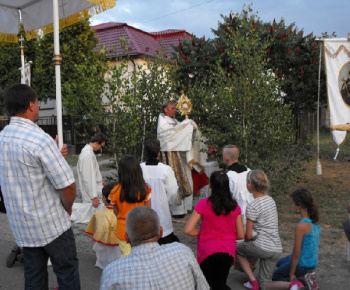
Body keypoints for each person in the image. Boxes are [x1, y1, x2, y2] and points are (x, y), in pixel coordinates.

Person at [0, 84, 80, 289]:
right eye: (37, 103)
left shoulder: (3, 138)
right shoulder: (39, 139)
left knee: (34, 276)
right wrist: (68, 208)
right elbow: (68, 186)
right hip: (51, 224)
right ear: (31, 105)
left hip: (23, 226)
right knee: (67, 273)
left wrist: (52, 155)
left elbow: (23, 169)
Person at [100, 206, 209, 290]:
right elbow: (203, 287)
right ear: (161, 232)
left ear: (126, 238)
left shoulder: (112, 272)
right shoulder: (182, 251)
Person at [184, 171, 245, 289]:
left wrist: (205, 232)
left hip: (208, 250)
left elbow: (188, 230)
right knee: (220, 283)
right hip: (227, 250)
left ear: (211, 185)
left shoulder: (203, 204)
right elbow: (241, 234)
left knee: (205, 284)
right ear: (227, 185)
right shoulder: (235, 206)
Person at [157, 100, 207, 218]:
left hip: (181, 154)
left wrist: (190, 127)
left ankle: (187, 207)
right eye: (173, 108)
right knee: (175, 181)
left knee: (186, 178)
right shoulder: (163, 122)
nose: (175, 110)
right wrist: (185, 126)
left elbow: (180, 133)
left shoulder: (174, 121)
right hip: (171, 156)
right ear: (166, 109)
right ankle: (177, 210)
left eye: (175, 108)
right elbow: (168, 136)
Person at [236, 170, 282, 290]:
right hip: (276, 248)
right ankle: (294, 285)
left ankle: (252, 281)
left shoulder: (252, 206)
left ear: (249, 186)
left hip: (262, 247)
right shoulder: (271, 200)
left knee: (237, 249)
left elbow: (248, 236)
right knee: (265, 285)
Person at [268, 188, 320, 290]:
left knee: (276, 276)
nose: (292, 206)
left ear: (299, 206)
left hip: (302, 264)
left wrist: (292, 273)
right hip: (312, 263)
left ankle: (301, 279)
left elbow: (296, 254)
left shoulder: (301, 226)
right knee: (279, 263)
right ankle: (306, 277)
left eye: (292, 204)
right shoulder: (315, 223)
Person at [108, 155, 152, 257]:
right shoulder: (145, 189)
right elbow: (148, 211)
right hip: (141, 229)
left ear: (121, 172)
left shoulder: (115, 191)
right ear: (138, 171)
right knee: (142, 256)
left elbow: (116, 212)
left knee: (127, 257)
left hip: (123, 230)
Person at [140, 139, 180, 244]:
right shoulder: (166, 169)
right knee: (164, 235)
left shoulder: (140, 168)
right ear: (158, 152)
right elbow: (172, 192)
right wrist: (168, 203)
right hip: (162, 209)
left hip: (143, 209)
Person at [71, 133, 108, 223]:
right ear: (96, 143)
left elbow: (93, 172)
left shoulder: (89, 152)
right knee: (91, 208)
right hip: (92, 188)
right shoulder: (87, 154)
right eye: (101, 146)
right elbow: (88, 177)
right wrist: (93, 196)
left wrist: (100, 181)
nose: (100, 149)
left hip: (95, 185)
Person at [85, 182, 121, 269]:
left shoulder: (98, 215)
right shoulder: (125, 214)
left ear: (104, 198)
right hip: (120, 252)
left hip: (103, 255)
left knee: (100, 246)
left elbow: (95, 232)